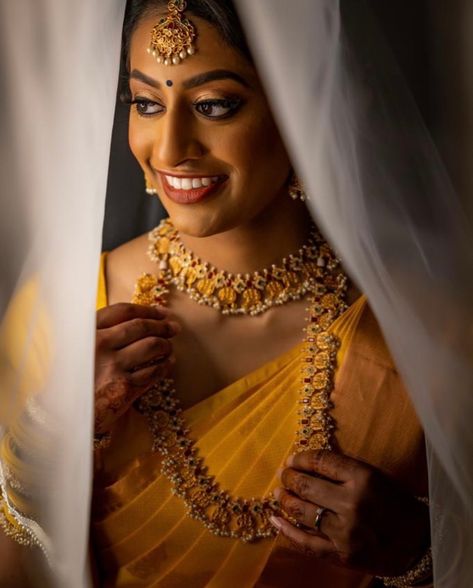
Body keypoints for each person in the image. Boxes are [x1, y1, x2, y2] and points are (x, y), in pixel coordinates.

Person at [89, 1, 433, 587]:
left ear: (305, 111)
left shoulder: (427, 332)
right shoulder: (75, 310)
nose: (170, 148)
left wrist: (418, 555)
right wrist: (47, 443)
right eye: (146, 103)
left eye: (214, 105)